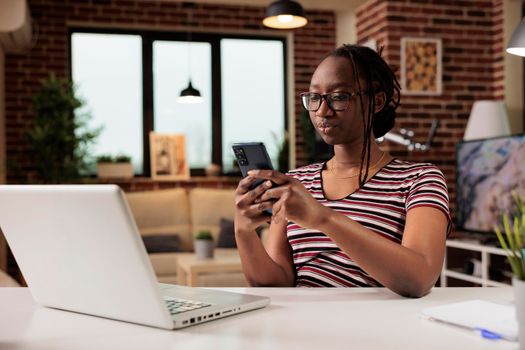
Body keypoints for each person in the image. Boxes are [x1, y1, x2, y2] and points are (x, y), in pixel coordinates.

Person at [234, 44, 450, 298]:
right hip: (300, 329)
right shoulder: (298, 182)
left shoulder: (420, 180)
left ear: (377, 101)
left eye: (338, 97)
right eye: (314, 98)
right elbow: (275, 285)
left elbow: (420, 278)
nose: (322, 111)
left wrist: (324, 219)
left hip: (382, 331)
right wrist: (244, 231)